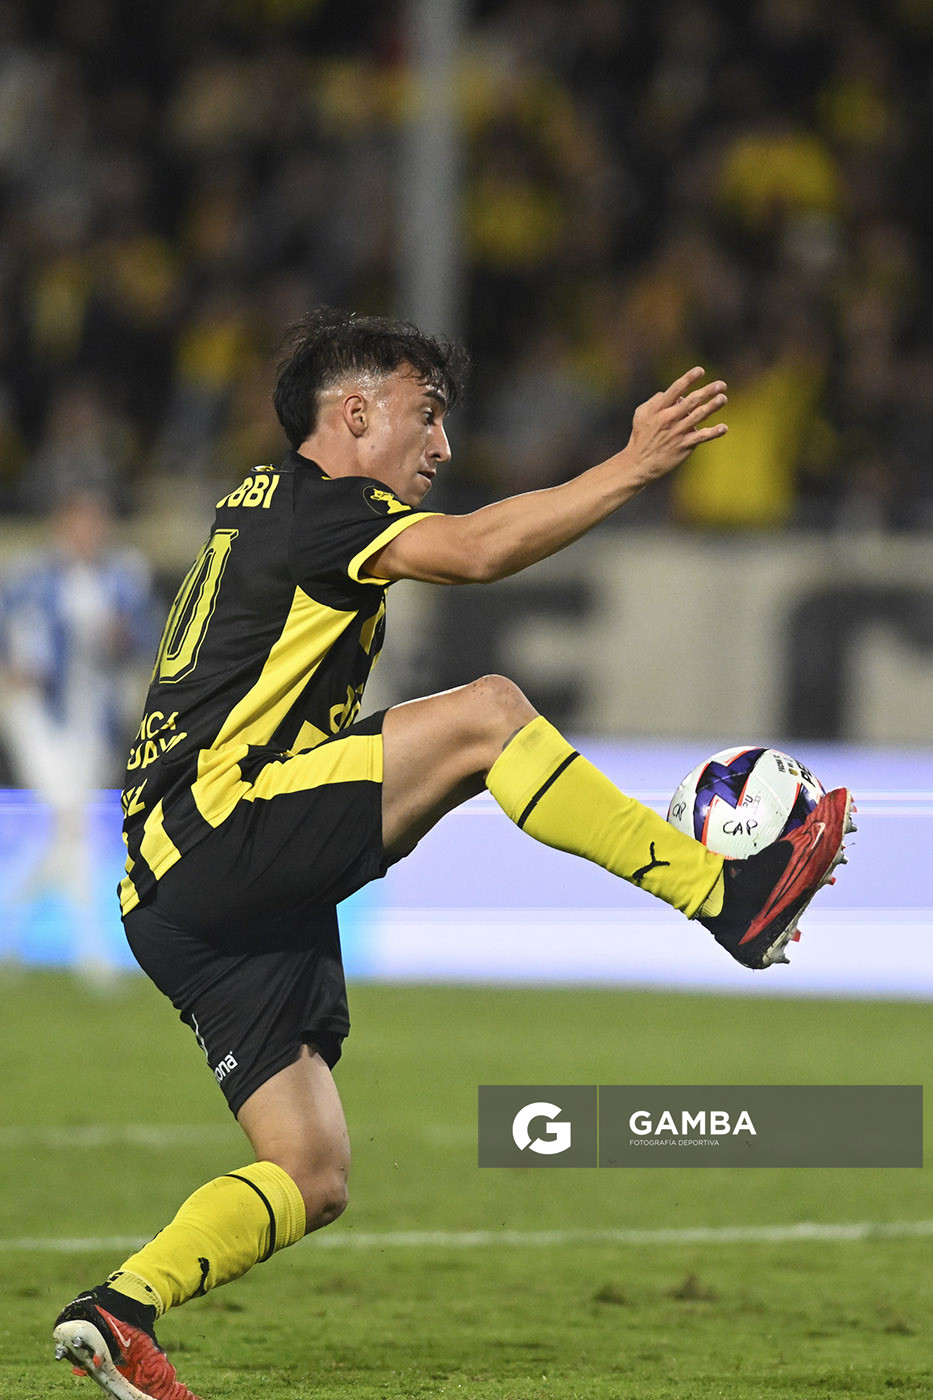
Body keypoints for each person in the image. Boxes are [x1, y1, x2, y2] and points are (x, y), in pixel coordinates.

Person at [52, 308, 853, 1400]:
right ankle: (724, 893)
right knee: (487, 715)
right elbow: (475, 552)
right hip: (220, 824)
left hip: (175, 893)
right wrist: (630, 466)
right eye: (424, 414)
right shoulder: (319, 506)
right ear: (353, 413)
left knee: (311, 1169)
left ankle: (119, 1309)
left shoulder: (265, 507)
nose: (439, 443)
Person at [0, 488, 157, 982]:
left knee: (66, 830)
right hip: (39, 717)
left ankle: (10, 924)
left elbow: (147, 636)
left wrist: (123, 637)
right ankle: (93, 952)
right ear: (63, 525)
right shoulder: (33, 577)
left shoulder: (123, 577)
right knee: (73, 823)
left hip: (93, 721)